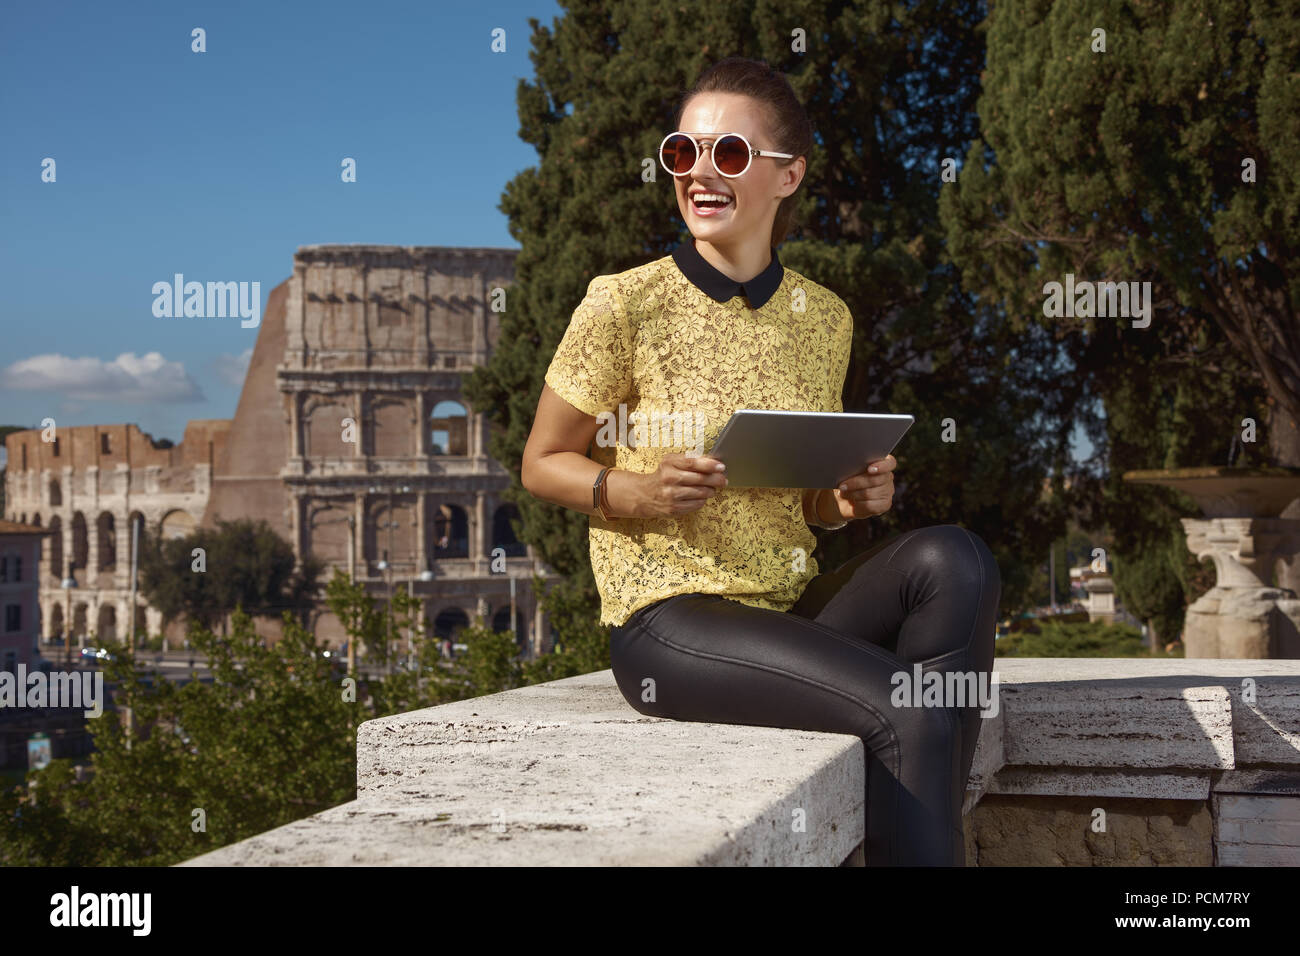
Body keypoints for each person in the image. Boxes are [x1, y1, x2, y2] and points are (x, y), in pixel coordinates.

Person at [521, 56, 1000, 866]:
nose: (700, 173)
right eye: (684, 153)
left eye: (730, 154)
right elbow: (542, 462)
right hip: (670, 621)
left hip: (786, 608)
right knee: (913, 704)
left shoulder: (825, 317)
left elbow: (801, 496)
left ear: (788, 176)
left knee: (954, 559)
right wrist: (639, 492)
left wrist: (845, 502)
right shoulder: (624, 302)